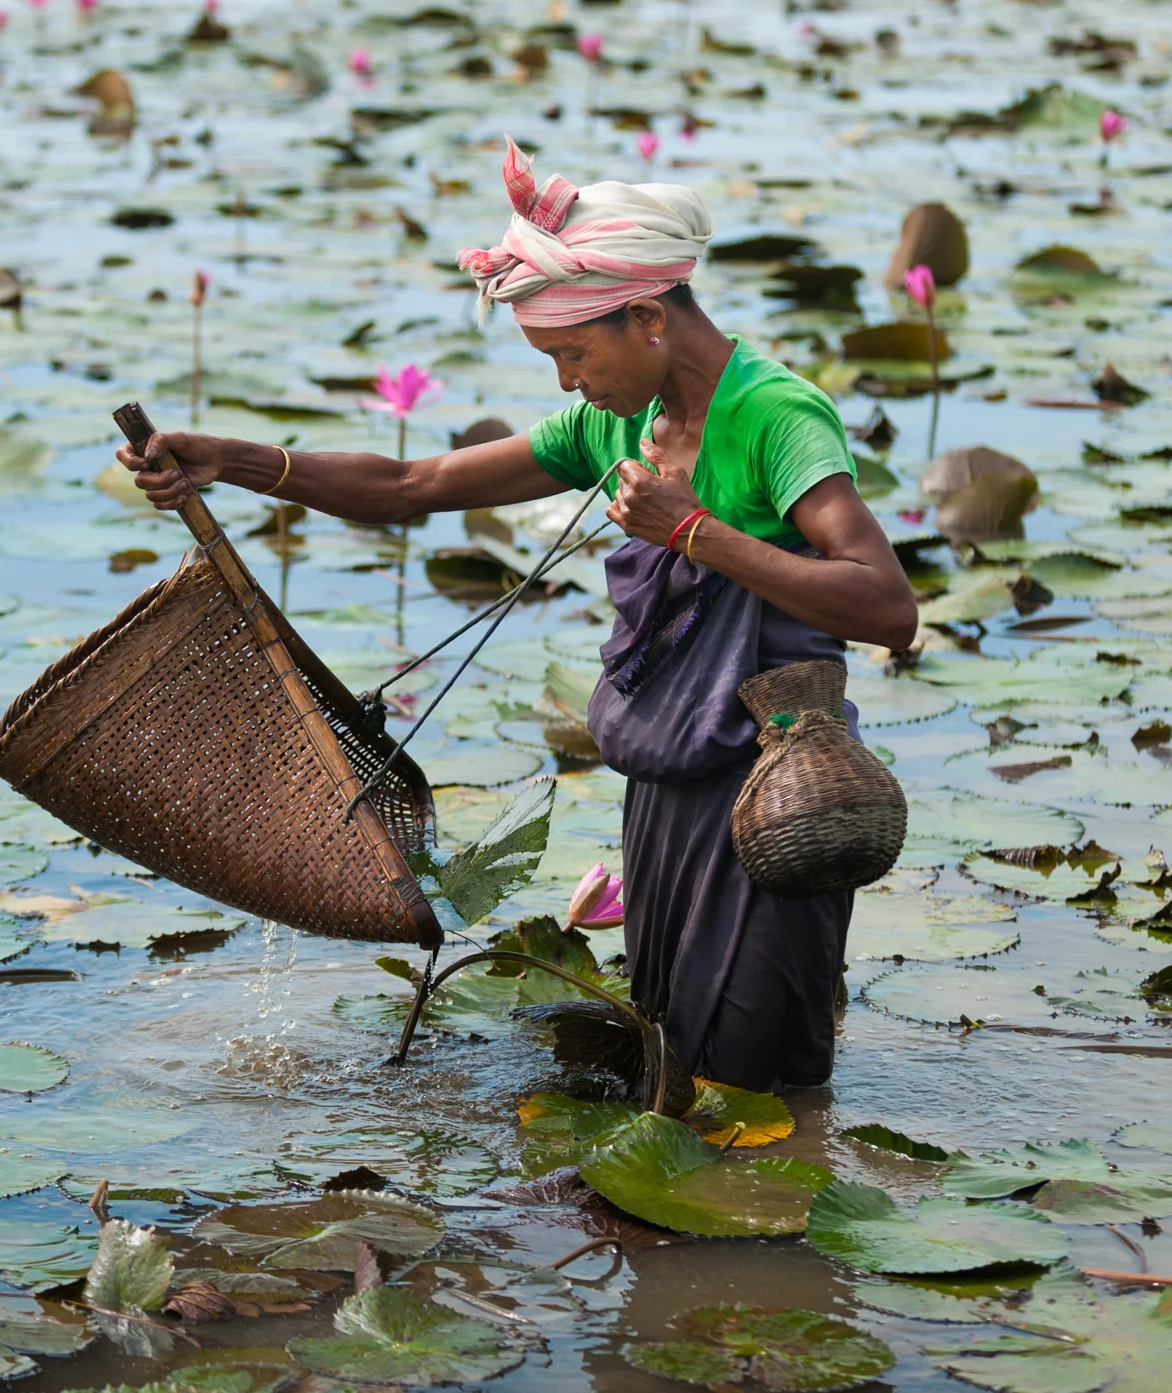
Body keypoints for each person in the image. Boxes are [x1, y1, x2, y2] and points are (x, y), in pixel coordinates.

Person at [120, 141, 919, 1092]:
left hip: (777, 786)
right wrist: (235, 461)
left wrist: (697, 533)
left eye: (573, 353)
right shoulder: (624, 425)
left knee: (759, 1062)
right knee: (673, 1048)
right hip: (668, 783)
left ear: (647, 317)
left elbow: (887, 604)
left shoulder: (777, 417)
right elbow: (415, 483)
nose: (567, 382)